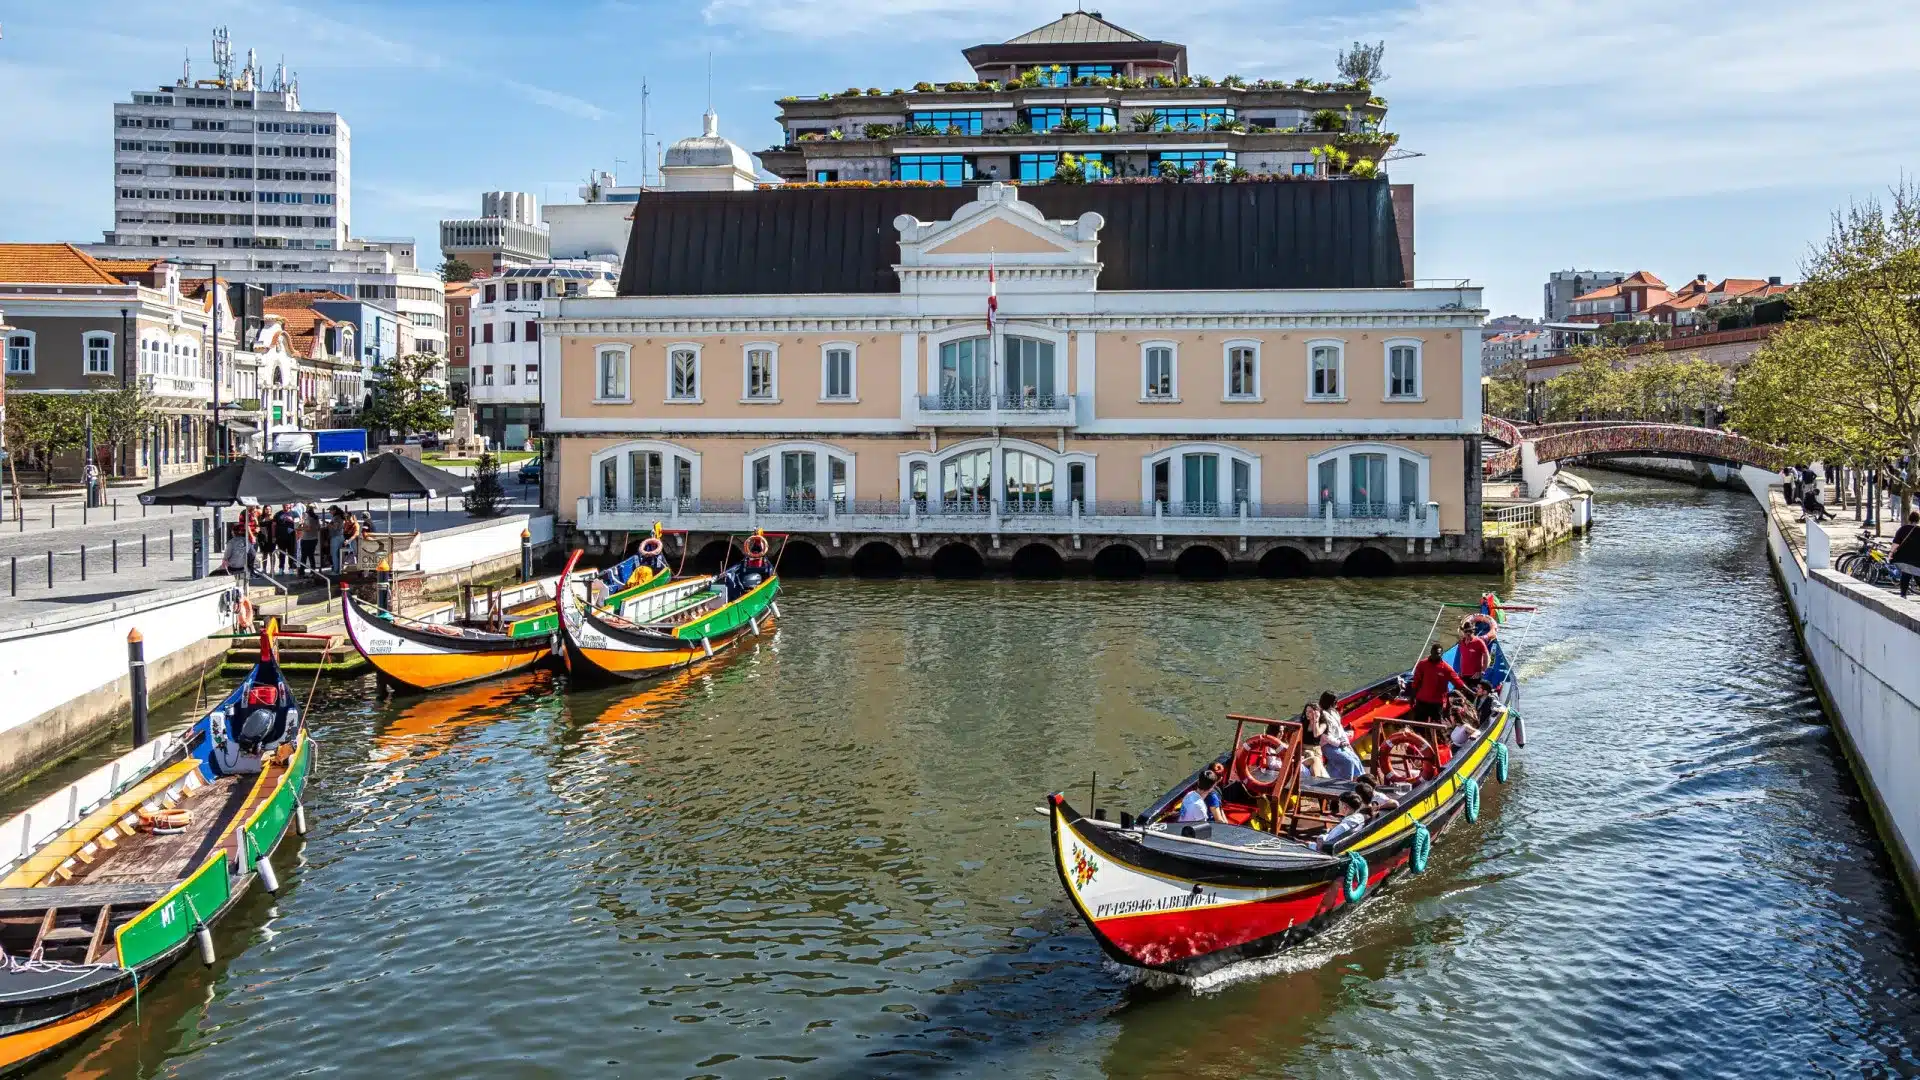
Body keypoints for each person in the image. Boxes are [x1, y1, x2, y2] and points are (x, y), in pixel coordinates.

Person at [1409, 642, 1470, 727]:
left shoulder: (1446, 668)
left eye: (1438, 654)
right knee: (1419, 725)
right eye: (1434, 653)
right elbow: (1416, 682)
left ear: (1442, 654)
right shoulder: (1422, 664)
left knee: (1437, 726)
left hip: (1437, 703)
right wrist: (1412, 698)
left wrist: (1471, 692)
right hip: (1422, 701)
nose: (1436, 656)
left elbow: (1458, 682)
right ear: (1431, 652)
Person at [1314, 702, 1366, 781]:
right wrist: (1339, 743)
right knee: (1349, 761)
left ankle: (1361, 778)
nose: (1337, 704)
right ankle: (1348, 781)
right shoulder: (1323, 717)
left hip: (1337, 743)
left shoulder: (1334, 713)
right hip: (1328, 745)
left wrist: (1345, 741)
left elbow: (1340, 729)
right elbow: (1325, 736)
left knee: (1355, 757)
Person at [1893, 511, 1920, 599]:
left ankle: (1903, 594)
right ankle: (1903, 594)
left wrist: (1891, 553)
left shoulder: (1903, 529)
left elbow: (1896, 543)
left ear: (1909, 519)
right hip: (1916, 559)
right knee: (1917, 575)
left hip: (1903, 558)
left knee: (1906, 574)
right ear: (1918, 520)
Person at [273, 504, 298, 574]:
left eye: (287, 505)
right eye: (284, 505)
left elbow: (298, 525)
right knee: (281, 553)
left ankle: (291, 568)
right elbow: (274, 525)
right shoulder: (278, 514)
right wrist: (274, 536)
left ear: (290, 505)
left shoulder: (295, 513)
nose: (285, 507)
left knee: (292, 552)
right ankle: (281, 568)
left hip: (291, 537)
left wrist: (291, 520)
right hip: (281, 537)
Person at [297, 505, 320, 574]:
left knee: (304, 556)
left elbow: (308, 528)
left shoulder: (309, 518)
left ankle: (302, 571)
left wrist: (300, 528)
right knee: (311, 555)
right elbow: (318, 527)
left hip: (306, 539)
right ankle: (312, 571)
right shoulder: (316, 518)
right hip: (314, 538)